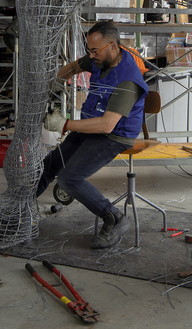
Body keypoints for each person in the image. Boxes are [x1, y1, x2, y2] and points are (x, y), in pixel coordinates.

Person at [39, 20, 149, 249]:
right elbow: (70, 68)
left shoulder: (127, 80)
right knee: (50, 165)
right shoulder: (99, 59)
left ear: (112, 46)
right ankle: (19, 206)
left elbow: (108, 125)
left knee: (69, 179)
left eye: (95, 50)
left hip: (114, 135)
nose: (91, 55)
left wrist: (64, 124)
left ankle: (114, 217)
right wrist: (59, 81)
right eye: (89, 50)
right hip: (91, 125)